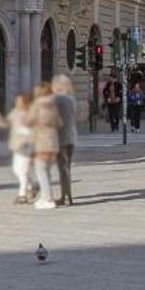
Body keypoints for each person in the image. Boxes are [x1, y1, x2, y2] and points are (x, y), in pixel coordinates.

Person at [29, 83, 63, 210]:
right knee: (46, 170)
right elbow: (59, 123)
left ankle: (48, 199)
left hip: (42, 140)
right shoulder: (53, 106)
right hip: (53, 140)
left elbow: (28, 120)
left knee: (41, 170)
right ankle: (45, 196)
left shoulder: (37, 105)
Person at [51, 75, 79, 205]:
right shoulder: (71, 99)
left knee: (62, 168)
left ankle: (66, 196)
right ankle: (67, 195)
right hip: (71, 136)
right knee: (66, 168)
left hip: (60, 137)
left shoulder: (56, 99)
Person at [6, 94, 37, 204]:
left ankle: (22, 195)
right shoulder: (15, 113)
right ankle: (32, 185)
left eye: (20, 101)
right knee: (16, 169)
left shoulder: (30, 114)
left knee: (23, 170)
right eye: (17, 101)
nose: (18, 103)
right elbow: (7, 124)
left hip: (26, 145)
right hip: (16, 145)